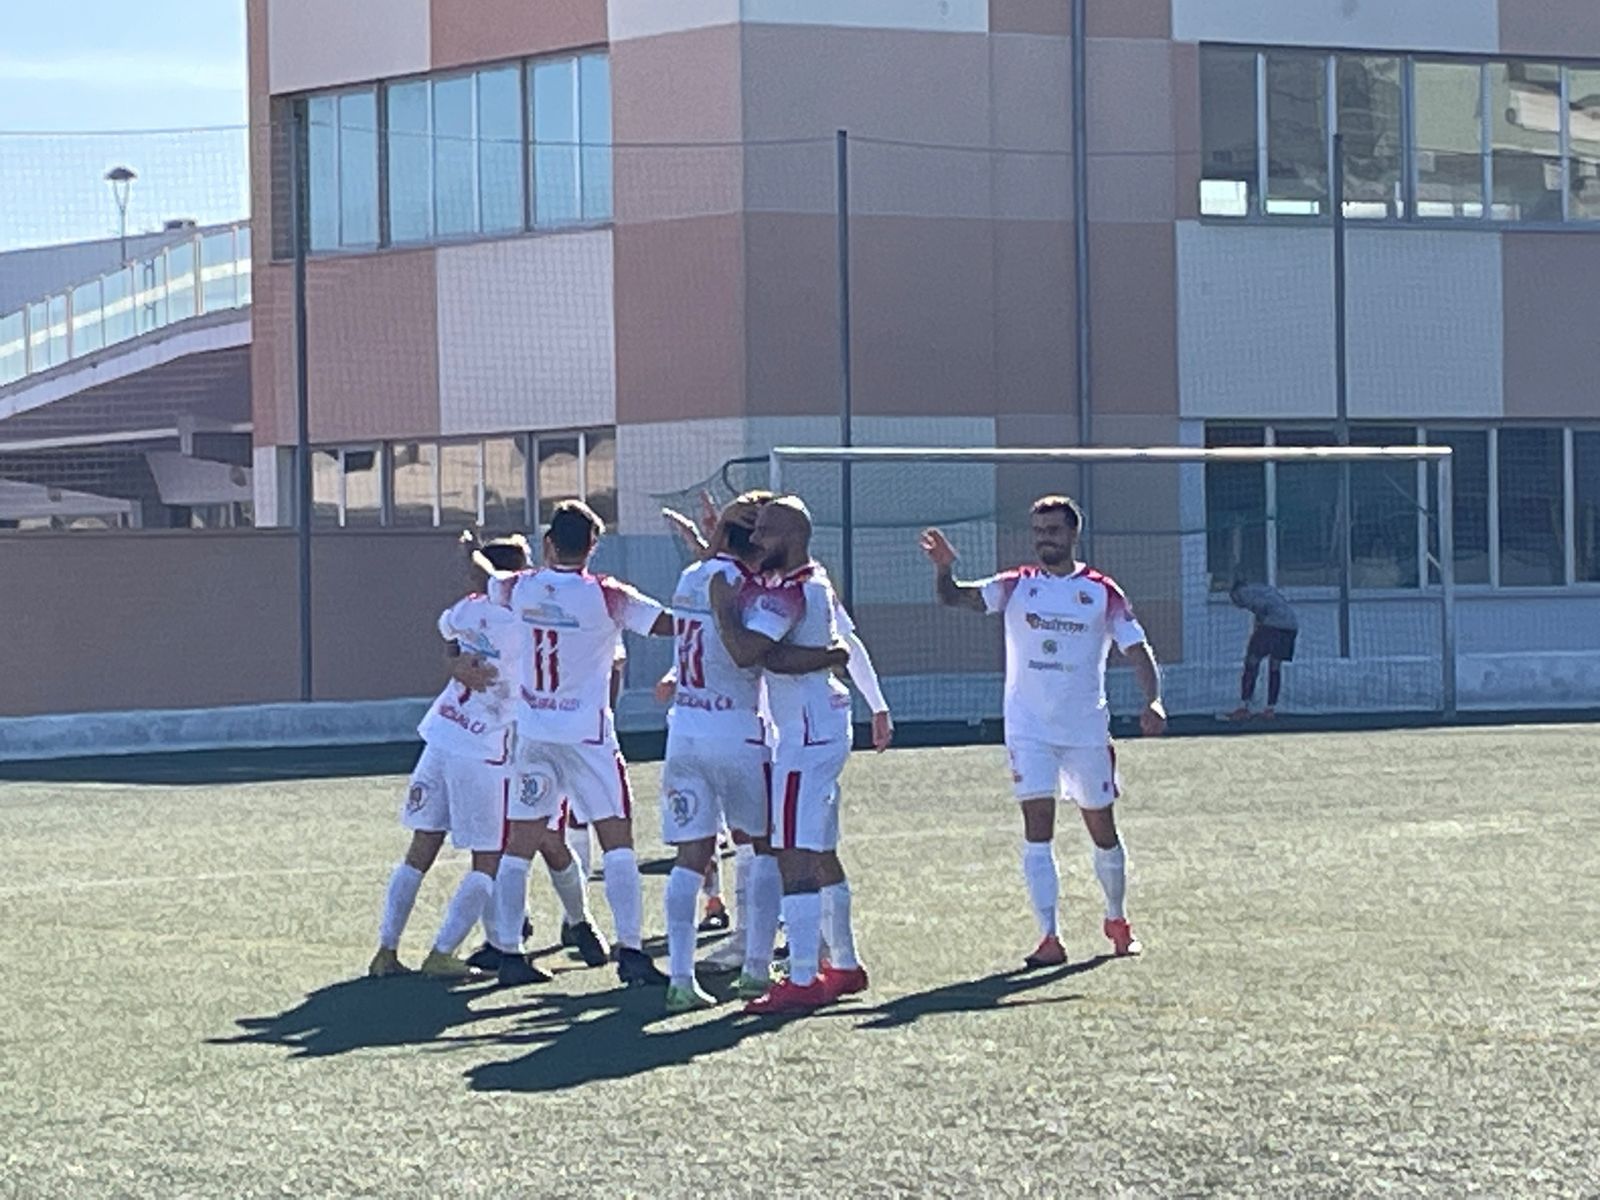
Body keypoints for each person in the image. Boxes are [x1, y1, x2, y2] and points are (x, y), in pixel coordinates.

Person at [919, 496, 1164, 967]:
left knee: (1102, 829)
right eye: (1037, 531)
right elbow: (955, 597)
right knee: (1037, 829)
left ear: (1072, 534)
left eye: (1052, 530)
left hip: (1085, 730)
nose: (1044, 539)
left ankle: (1117, 919)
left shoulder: (1101, 591)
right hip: (1028, 730)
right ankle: (1049, 936)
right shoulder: (1017, 585)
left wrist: (1153, 699)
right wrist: (944, 568)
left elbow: (1137, 649)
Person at [655, 493, 856, 1013]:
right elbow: (750, 650)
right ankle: (764, 969)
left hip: (686, 732)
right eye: (758, 530)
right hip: (744, 733)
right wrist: (831, 654)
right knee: (776, 849)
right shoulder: (759, 586)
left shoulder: (694, 577)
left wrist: (713, 542)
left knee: (695, 856)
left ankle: (683, 978)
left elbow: (741, 627)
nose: (762, 539)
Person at [709, 496, 893, 1015]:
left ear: (790, 537)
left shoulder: (793, 591)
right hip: (819, 726)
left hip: (804, 736)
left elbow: (750, 652)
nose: (755, 540)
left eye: (764, 530)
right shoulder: (805, 581)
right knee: (820, 849)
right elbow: (791, 651)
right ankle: (846, 964)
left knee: (792, 852)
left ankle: (804, 975)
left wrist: (722, 607)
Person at [492, 500, 676, 988]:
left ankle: (509, 952)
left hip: (535, 733)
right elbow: (666, 624)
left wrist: (468, 551)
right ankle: (631, 951)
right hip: (588, 738)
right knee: (617, 843)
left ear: (548, 543)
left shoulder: (520, 586)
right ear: (593, 547)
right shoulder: (607, 595)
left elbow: (489, 580)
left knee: (519, 845)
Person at [368, 535, 531, 980]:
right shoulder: (522, 618)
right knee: (489, 857)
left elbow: (447, 635)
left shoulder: (465, 610)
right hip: (483, 748)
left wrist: (455, 663)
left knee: (421, 847)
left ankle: (386, 950)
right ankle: (442, 952)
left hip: (442, 734)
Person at [1228, 579, 1298, 721]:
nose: (1235, 603)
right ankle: (1270, 708)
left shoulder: (1244, 592)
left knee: (1252, 661)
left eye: (1234, 600)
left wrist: (1259, 626)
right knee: (1275, 666)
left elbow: (1262, 606)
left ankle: (1244, 706)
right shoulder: (1263, 589)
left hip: (1273, 626)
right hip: (1290, 627)